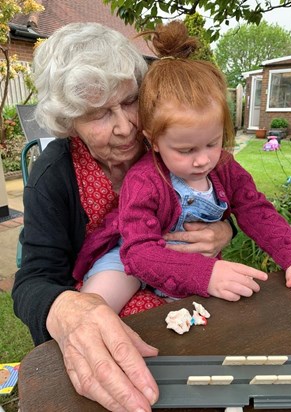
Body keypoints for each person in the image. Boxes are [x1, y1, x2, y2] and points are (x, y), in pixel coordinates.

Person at [12, 22, 235, 412]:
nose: (126, 125)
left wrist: (224, 229)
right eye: (99, 113)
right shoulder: (54, 176)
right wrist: (66, 309)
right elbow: (33, 280)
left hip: (185, 295)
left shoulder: (166, 143)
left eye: (130, 100)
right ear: (70, 124)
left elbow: (223, 194)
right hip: (110, 316)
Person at [74, 20, 291, 306]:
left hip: (190, 262)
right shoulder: (144, 179)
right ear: (154, 141)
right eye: (185, 150)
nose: (203, 160)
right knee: (94, 309)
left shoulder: (224, 168)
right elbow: (137, 253)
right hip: (132, 258)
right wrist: (206, 274)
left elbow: (255, 210)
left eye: (212, 143)